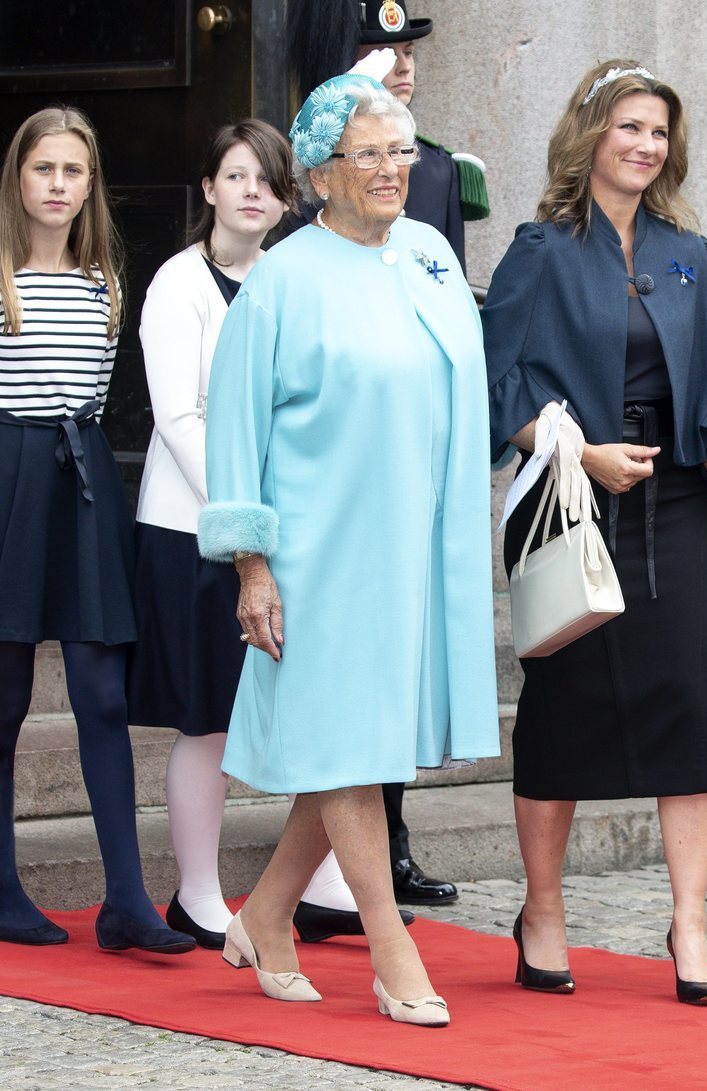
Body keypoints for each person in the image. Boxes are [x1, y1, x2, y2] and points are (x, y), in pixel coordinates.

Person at [197, 69, 499, 1021]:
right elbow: (234, 427)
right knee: (345, 745)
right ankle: (390, 943)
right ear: (320, 174)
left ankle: (269, 913)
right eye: (363, 154)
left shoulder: (430, 257)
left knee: (357, 750)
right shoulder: (281, 279)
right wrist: (252, 561)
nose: (387, 170)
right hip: (314, 555)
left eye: (398, 151)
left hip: (411, 549)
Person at [483, 60, 707, 1004]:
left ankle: (688, 921)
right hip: (572, 500)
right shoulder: (538, 249)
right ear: (591, 133)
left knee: (691, 705)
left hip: (679, 501)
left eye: (658, 131)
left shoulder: (691, 253)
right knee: (561, 705)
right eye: (629, 127)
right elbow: (500, 394)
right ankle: (543, 911)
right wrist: (577, 448)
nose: (646, 145)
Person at [286, 0, 490, 908]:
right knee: (350, 716)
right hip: (333, 501)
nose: (399, 64)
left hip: (416, 488)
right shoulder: (301, 235)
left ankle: (291, 901)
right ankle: (378, 924)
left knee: (390, 710)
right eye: (378, 47)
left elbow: (439, 314)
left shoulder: (437, 174)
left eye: (406, 50)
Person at [0, 107, 194, 954]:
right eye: (43, 169)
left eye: (72, 172)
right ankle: (2, 887)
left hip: (80, 490)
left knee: (103, 692)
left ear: (90, 186)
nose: (56, 186)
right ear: (18, 178)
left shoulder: (106, 281)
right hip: (7, 477)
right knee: (4, 699)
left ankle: (127, 899)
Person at [125, 120, 293, 948]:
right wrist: (240, 517)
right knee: (209, 718)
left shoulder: (289, 281)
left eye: (266, 180)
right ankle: (196, 892)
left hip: (278, 525)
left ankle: (327, 880)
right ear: (209, 190)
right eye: (237, 177)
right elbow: (180, 416)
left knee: (302, 704)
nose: (252, 192)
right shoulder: (176, 283)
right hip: (192, 529)